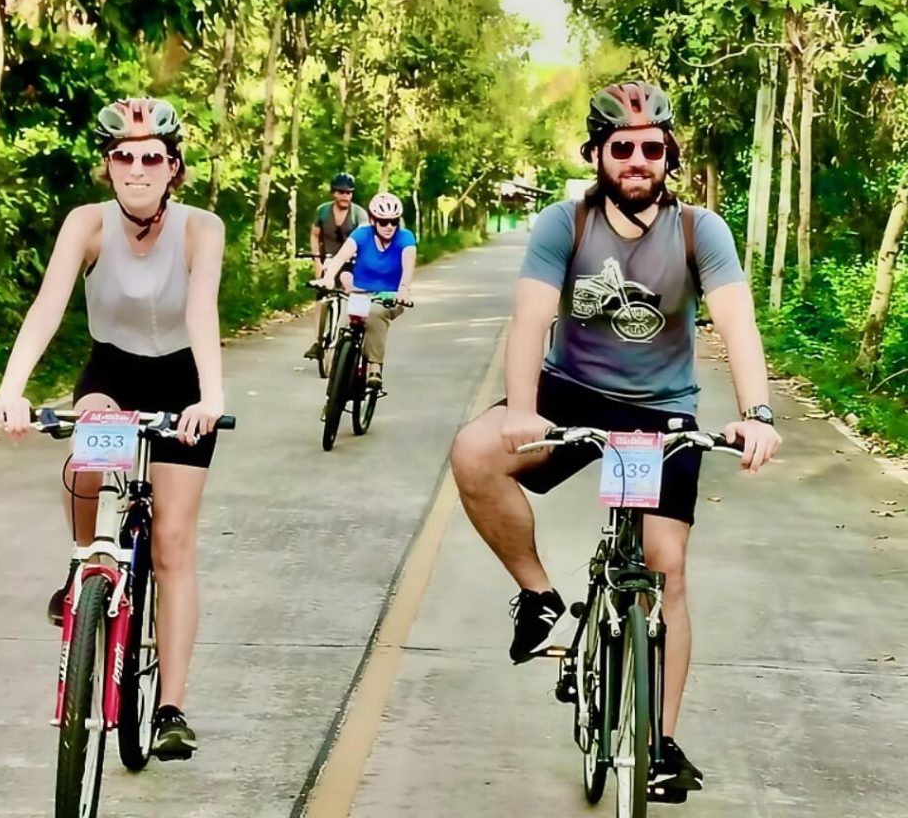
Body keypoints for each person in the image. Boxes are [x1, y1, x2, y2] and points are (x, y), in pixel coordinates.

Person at [449, 81, 781, 795]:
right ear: (597, 154)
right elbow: (531, 320)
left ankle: (659, 742)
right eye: (622, 147)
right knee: (474, 454)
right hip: (571, 398)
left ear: (669, 155)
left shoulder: (700, 231)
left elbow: (737, 323)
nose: (638, 159)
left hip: (661, 412)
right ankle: (538, 595)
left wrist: (758, 412)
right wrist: (522, 411)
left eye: (652, 148)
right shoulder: (563, 225)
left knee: (666, 571)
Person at [0, 97, 226, 761]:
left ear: (174, 167)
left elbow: (202, 309)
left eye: (152, 156)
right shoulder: (87, 225)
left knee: (174, 542)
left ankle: (172, 708)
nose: (138, 167)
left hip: (183, 379)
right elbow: (47, 307)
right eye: (124, 155)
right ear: (108, 168)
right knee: (88, 453)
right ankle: (83, 564)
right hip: (113, 372)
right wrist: (11, 389)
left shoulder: (202, 228)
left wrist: (210, 395)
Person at [315, 192, 415, 389]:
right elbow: (340, 258)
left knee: (375, 314)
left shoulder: (405, 237)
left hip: (390, 296)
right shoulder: (362, 234)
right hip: (360, 293)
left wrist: (404, 289)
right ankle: (334, 392)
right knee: (344, 327)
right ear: (372, 220)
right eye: (383, 221)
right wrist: (327, 278)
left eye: (393, 222)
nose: (389, 227)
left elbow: (408, 263)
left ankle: (375, 367)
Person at [304, 172, 368, 360]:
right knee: (321, 298)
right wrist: (317, 260)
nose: (345, 196)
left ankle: (354, 338)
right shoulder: (323, 211)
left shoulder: (358, 214)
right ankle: (318, 341)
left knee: (354, 295)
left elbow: (365, 238)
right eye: (341, 192)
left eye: (348, 193)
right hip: (328, 260)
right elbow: (315, 235)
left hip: (351, 261)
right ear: (333, 193)